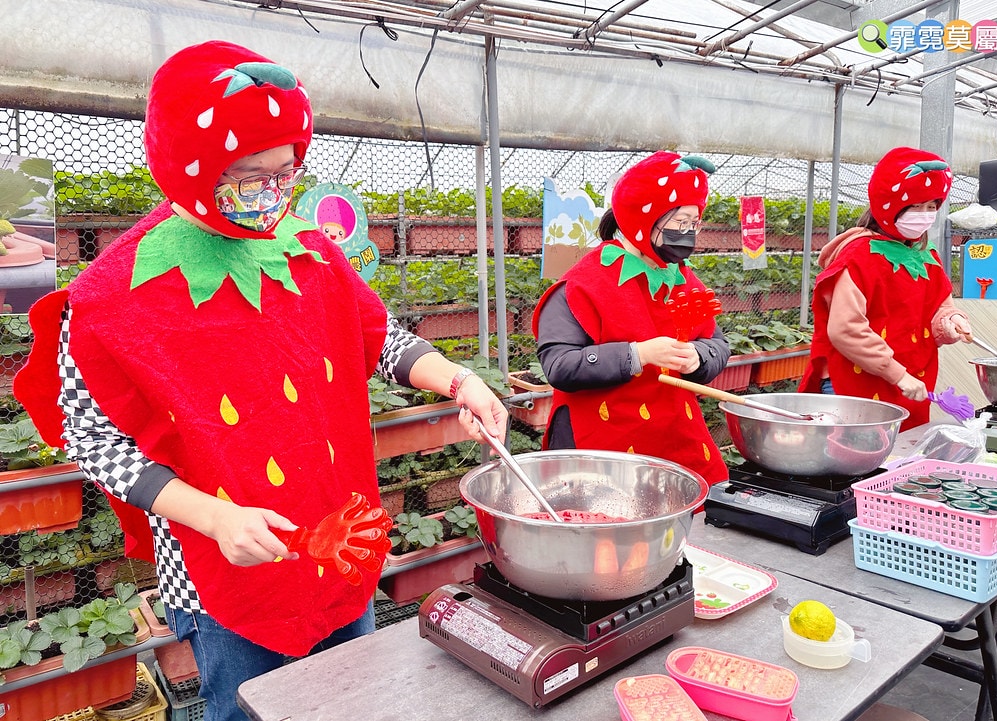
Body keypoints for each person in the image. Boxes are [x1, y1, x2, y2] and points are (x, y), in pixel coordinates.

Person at [13, 41, 506, 721]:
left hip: (339, 536)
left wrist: (455, 379)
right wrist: (214, 516)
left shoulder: (308, 246)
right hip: (221, 558)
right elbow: (91, 437)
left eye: (287, 171)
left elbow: (379, 336)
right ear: (186, 164)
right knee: (252, 709)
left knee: (347, 700)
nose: (271, 193)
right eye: (247, 174)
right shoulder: (111, 296)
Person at [531, 151, 730, 486]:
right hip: (602, 442)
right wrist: (637, 355)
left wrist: (699, 356)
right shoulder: (582, 286)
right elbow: (559, 365)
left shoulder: (681, 280)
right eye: (679, 223)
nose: (688, 234)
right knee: (604, 524)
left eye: (693, 223)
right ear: (643, 218)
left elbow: (718, 343)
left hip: (673, 435)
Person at [798, 146, 972, 429]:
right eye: (916, 206)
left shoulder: (926, 256)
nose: (925, 215)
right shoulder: (858, 256)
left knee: (898, 460)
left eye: (931, 207)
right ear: (889, 204)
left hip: (910, 380)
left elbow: (940, 305)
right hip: (856, 383)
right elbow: (846, 329)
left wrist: (950, 321)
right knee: (856, 465)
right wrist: (897, 374)